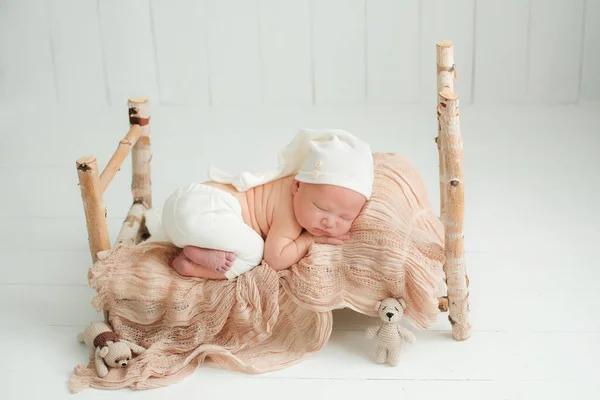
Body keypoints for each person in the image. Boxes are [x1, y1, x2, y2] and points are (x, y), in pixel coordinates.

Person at [145, 129, 374, 280]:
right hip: (207, 209)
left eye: (344, 217)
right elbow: (275, 260)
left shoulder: (297, 188)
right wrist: (309, 239)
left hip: (184, 202)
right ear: (296, 187)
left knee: (239, 240)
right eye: (321, 208)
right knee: (254, 253)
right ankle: (191, 266)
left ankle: (198, 247)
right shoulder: (290, 216)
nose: (329, 221)